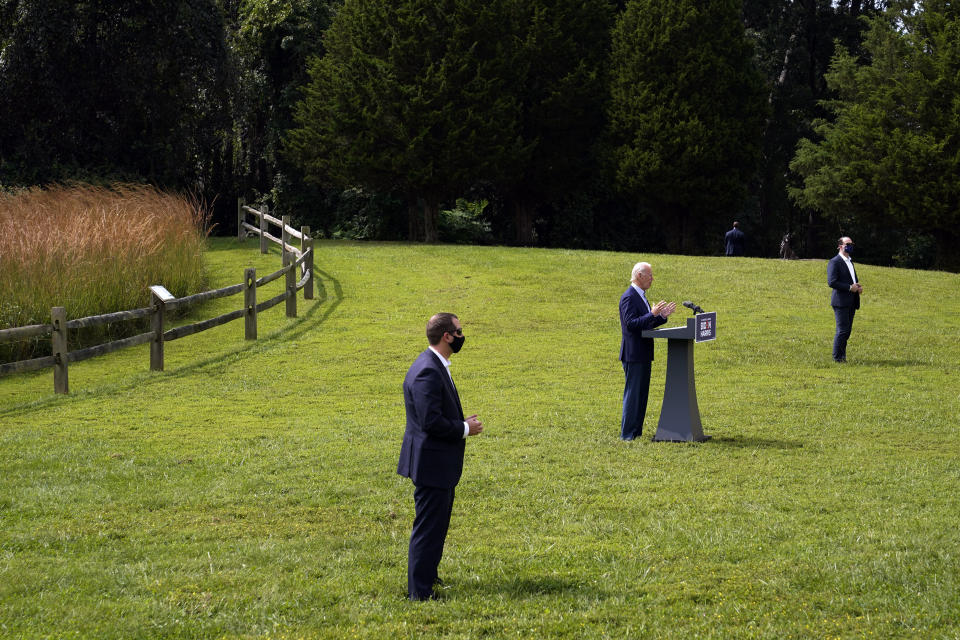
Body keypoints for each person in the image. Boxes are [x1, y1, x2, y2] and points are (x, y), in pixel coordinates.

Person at [397, 313, 483, 601]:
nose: (462, 335)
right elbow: (430, 421)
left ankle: (428, 576)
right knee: (428, 528)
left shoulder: (435, 365)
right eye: (459, 331)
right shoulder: (427, 371)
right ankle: (419, 592)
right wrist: (464, 428)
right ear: (447, 335)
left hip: (438, 463)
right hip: (432, 464)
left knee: (437, 525)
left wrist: (460, 420)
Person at [619, 262, 676, 440]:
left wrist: (660, 317)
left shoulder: (641, 296)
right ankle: (627, 434)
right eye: (649, 275)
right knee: (633, 394)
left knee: (642, 394)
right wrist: (651, 314)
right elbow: (631, 324)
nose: (652, 278)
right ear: (639, 275)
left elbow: (645, 324)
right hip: (633, 353)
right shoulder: (629, 297)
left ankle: (636, 432)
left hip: (643, 352)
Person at [827, 237, 863, 363]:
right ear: (840, 246)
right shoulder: (834, 262)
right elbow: (831, 282)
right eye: (848, 244)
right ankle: (838, 358)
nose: (850, 246)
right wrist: (849, 288)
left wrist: (857, 286)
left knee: (847, 331)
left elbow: (851, 279)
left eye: (852, 244)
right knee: (842, 330)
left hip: (852, 301)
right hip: (840, 302)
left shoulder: (850, 261)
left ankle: (842, 356)